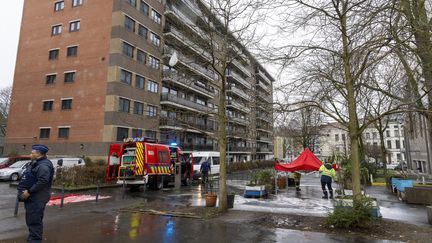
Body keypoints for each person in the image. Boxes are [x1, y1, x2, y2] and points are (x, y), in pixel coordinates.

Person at [18, 144, 54, 243]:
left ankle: (35, 240)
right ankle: (32, 238)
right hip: (34, 198)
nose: (30, 154)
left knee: (34, 221)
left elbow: (43, 181)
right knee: (32, 220)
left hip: (36, 198)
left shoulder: (43, 165)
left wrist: (29, 191)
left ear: (38, 154)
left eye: (32, 152)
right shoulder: (37, 163)